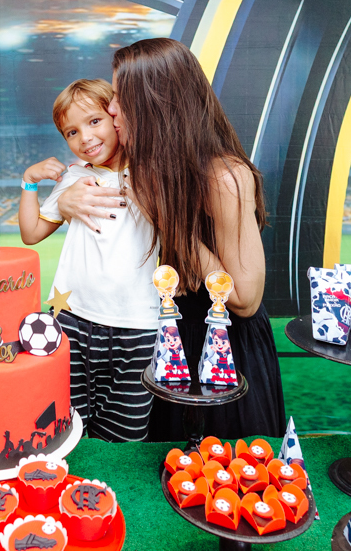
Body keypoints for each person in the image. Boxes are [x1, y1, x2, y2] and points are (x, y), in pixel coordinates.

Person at [55, 38, 286, 440]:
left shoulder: (224, 176)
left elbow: (246, 299)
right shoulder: (143, 162)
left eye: (120, 99)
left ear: (153, 103)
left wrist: (166, 219)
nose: (110, 109)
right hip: (168, 341)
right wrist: (68, 200)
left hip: (220, 353)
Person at [18, 78, 159, 442]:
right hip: (71, 319)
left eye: (94, 121)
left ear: (116, 116)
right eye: (71, 131)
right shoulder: (73, 178)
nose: (85, 138)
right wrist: (28, 183)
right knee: (65, 428)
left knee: (125, 436)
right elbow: (31, 233)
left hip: (138, 325)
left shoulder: (153, 171)